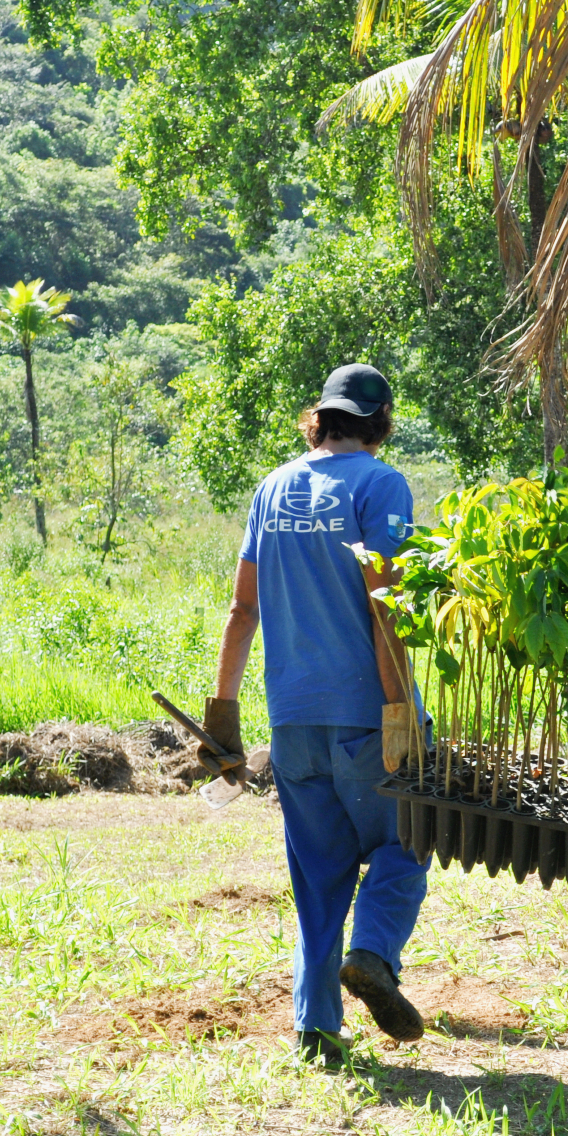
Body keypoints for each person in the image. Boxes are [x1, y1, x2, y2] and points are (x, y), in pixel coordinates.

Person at [202, 363, 429, 1064]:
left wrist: (224, 715)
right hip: (367, 712)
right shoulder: (380, 483)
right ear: (380, 421)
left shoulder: (271, 488)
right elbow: (384, 603)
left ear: (320, 417)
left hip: (292, 722)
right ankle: (372, 955)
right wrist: (401, 711)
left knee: (318, 874)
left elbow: (243, 607)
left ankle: (316, 1029)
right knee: (406, 844)